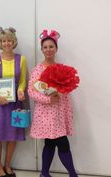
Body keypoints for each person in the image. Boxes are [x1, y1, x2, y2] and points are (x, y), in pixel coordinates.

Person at [28, 29, 78, 177]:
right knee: (62, 143)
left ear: (56, 48)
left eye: (51, 46)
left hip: (59, 112)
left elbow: (67, 88)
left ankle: (44, 173)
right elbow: (32, 91)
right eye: (45, 47)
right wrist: (48, 99)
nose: (48, 49)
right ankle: (73, 174)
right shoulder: (37, 70)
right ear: (42, 49)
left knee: (50, 143)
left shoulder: (62, 68)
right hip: (45, 114)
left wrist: (63, 91)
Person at [0, 27, 27, 177]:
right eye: (3, 41)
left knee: (12, 136)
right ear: (0, 42)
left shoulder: (21, 59)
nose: (6, 43)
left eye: (9, 40)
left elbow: (22, 81)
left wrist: (21, 90)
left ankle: (8, 165)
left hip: (14, 104)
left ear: (14, 42)